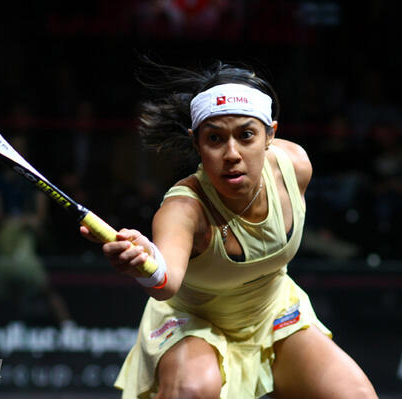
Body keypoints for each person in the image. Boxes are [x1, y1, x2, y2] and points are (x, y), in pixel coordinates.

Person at [80, 60, 377, 398]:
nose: (232, 153)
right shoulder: (183, 208)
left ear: (270, 135)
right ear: (196, 144)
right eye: (215, 139)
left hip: (272, 313)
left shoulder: (295, 167)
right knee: (191, 389)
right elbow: (165, 282)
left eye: (246, 135)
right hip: (193, 321)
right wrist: (142, 261)